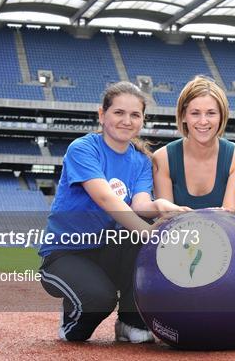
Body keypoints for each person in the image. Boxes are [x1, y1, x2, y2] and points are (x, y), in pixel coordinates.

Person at [38, 82, 189, 343]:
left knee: (141, 231)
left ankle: (130, 321)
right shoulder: (84, 148)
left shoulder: (141, 160)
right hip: (66, 253)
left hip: (108, 250)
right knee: (99, 299)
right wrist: (148, 232)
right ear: (102, 114)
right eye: (118, 112)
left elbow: (140, 204)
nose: (127, 121)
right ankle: (71, 320)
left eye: (135, 115)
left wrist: (163, 206)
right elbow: (105, 197)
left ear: (142, 119)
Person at [153, 75, 235, 210]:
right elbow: (165, 220)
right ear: (183, 116)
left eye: (211, 113)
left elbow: (229, 217)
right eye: (195, 113)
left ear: (222, 116)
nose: (203, 121)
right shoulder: (162, 159)